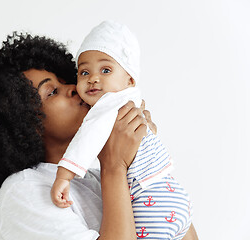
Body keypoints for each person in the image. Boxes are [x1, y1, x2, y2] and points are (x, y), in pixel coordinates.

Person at [0, 32, 198, 239]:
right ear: (23, 124)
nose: (74, 89)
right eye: (52, 92)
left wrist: (142, 161)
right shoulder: (23, 191)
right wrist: (115, 165)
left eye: (67, 80)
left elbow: (183, 232)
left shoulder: (95, 178)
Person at [51, 21, 193, 239]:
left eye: (105, 70)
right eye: (84, 72)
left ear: (130, 79)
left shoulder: (106, 108)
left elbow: (86, 141)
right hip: (173, 195)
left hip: (150, 205)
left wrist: (64, 176)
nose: (93, 79)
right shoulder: (133, 103)